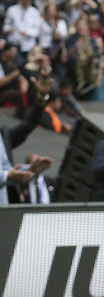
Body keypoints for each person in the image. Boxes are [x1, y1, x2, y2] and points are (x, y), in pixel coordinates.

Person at [1, 70, 51, 204]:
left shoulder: (2, 134)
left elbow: (28, 125)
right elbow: (6, 174)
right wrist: (7, 175)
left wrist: (29, 170)